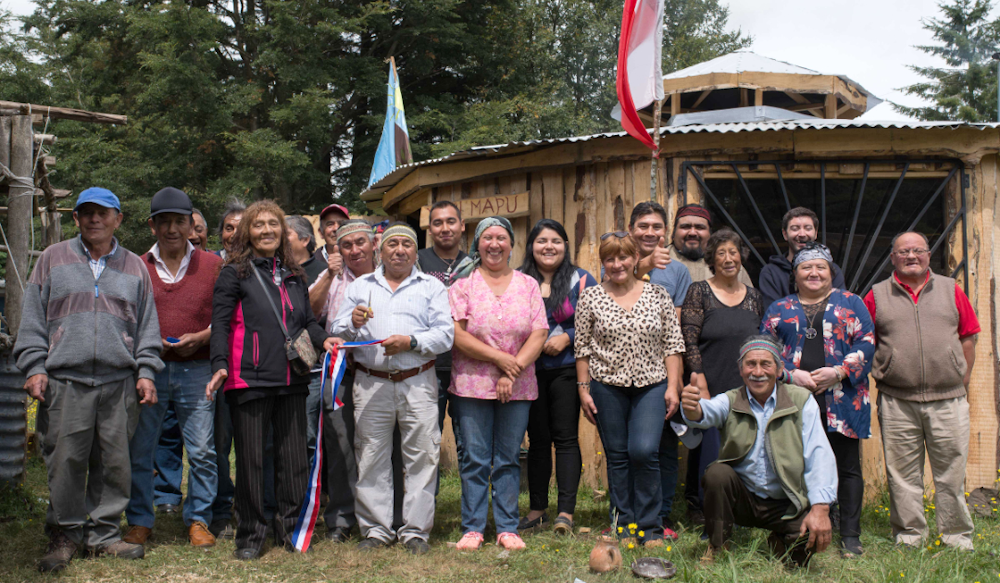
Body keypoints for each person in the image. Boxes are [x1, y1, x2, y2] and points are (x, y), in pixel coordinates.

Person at [14, 187, 163, 572]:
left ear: (118, 219)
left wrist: (146, 371)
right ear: (76, 218)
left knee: (115, 463)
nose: (95, 219)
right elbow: (31, 319)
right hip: (65, 380)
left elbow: (147, 328)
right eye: (87, 213)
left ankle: (103, 534)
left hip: (119, 382)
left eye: (103, 213)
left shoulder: (134, 267)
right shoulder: (52, 259)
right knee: (65, 461)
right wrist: (34, 366)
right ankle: (65, 533)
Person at [206, 200, 340, 560]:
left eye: (273, 224)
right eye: (258, 224)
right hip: (248, 378)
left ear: (283, 231)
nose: (266, 230)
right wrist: (219, 364)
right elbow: (219, 323)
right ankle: (250, 536)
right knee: (251, 461)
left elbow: (304, 322)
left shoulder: (294, 273)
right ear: (247, 231)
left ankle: (289, 530)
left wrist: (322, 336)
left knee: (294, 458)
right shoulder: (233, 271)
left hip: (293, 377)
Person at [330, 223, 454, 554]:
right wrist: (352, 323)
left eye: (407, 244)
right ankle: (376, 530)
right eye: (392, 244)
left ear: (416, 251)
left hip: (418, 382)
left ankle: (415, 532)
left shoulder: (431, 287)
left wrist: (411, 341)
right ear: (380, 250)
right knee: (370, 456)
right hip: (371, 383)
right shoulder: (360, 286)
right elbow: (339, 331)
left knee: (422, 457)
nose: (400, 250)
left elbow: (445, 336)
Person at [863, 232, 979, 550]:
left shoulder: (950, 289)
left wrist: (961, 379)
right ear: (892, 257)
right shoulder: (876, 295)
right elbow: (862, 341)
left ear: (928, 255)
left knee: (951, 472)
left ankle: (956, 537)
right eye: (904, 251)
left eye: (918, 250)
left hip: (949, 399)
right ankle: (910, 537)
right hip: (897, 399)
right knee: (902, 475)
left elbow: (968, 337)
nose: (911, 255)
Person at [681, 335, 837, 567]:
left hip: (787, 501)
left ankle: (780, 540)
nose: (758, 371)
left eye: (766, 364)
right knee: (717, 474)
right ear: (741, 369)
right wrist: (692, 408)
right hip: (744, 499)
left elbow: (819, 455)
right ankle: (717, 545)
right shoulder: (731, 399)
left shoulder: (801, 401)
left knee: (804, 549)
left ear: (779, 368)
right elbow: (706, 412)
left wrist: (821, 508)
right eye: (750, 364)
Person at [762, 242, 874, 557]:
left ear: (830, 272)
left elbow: (867, 342)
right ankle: (799, 526)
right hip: (794, 400)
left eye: (820, 267)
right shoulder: (779, 308)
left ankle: (850, 536)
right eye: (805, 267)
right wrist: (788, 375)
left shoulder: (851, 303)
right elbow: (764, 351)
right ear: (795, 274)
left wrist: (839, 371)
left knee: (848, 466)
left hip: (842, 399)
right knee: (796, 464)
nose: (813, 273)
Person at [124, 187, 221, 549]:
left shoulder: (212, 264)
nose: (172, 229)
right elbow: (127, 316)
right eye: (163, 222)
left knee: (202, 450)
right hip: (151, 369)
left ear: (191, 225)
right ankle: (139, 520)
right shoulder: (137, 265)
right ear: (152, 226)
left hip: (197, 368)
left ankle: (199, 520)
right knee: (142, 448)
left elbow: (227, 317)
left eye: (179, 221)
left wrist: (204, 335)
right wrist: (146, 344)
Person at [576, 232, 685, 548]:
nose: (617, 264)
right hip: (606, 385)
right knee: (618, 456)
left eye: (623, 257)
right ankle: (622, 525)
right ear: (603, 263)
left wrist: (674, 387)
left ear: (636, 258)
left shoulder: (657, 295)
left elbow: (673, 344)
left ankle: (650, 528)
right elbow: (582, 347)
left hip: (652, 384)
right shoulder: (591, 297)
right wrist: (584, 389)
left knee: (644, 451)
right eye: (610, 258)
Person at [448, 217, 549, 551]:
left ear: (511, 244)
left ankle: (507, 527)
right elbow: (457, 334)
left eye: (501, 238)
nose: (494, 244)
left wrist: (512, 368)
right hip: (472, 384)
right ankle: (473, 528)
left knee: (507, 457)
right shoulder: (463, 284)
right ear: (477, 244)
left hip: (518, 383)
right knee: (475, 458)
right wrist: (498, 359)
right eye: (487, 238)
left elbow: (539, 332)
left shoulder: (527, 284)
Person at [679, 229, 766, 524]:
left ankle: (741, 505)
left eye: (734, 252)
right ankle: (700, 505)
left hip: (746, 384)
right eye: (721, 254)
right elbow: (688, 339)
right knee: (708, 446)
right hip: (710, 380)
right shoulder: (699, 291)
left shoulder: (754, 297)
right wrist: (699, 378)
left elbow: (761, 343)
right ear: (711, 260)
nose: (729, 259)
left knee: (744, 444)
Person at [517, 219, 597, 535]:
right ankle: (538, 509)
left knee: (565, 438)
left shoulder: (582, 279)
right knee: (537, 440)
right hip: (529, 370)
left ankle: (566, 512)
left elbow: (595, 321)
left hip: (567, 369)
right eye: (541, 241)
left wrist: (570, 336)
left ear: (566, 246)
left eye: (556, 241)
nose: (549, 247)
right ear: (531, 246)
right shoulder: (520, 280)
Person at [627, 201, 691, 536]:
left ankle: (661, 513)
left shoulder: (678, 272)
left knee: (663, 446)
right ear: (630, 229)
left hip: (660, 370)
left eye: (656, 227)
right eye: (643, 226)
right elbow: (613, 287)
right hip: (619, 370)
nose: (650, 232)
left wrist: (675, 378)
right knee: (627, 448)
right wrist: (646, 264)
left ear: (665, 232)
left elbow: (675, 328)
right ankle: (624, 513)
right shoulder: (617, 256)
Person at [311, 219, 377, 542]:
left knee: (378, 448)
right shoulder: (334, 279)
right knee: (339, 445)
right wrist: (327, 274)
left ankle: (380, 516)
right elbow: (309, 313)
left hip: (379, 372)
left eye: (360, 243)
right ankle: (340, 519)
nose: (354, 250)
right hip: (340, 372)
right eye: (346, 245)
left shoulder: (390, 276)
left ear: (373, 244)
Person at [416, 200, 468, 464]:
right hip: (427, 365)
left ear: (462, 226)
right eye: (438, 223)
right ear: (430, 228)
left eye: (450, 221)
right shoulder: (416, 261)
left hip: (467, 366)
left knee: (468, 443)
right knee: (426, 440)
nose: (445, 228)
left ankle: (472, 506)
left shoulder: (476, 264)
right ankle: (427, 504)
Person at [209, 197, 244, 537]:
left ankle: (249, 508)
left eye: (240, 227)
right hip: (219, 369)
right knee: (219, 445)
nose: (234, 234)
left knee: (253, 444)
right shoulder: (209, 266)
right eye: (228, 228)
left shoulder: (267, 267)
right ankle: (220, 510)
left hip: (253, 370)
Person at [759, 207, 846, 306]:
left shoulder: (831, 270)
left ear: (816, 233)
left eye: (808, 228)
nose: (802, 234)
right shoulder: (771, 273)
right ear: (785, 234)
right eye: (795, 229)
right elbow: (773, 313)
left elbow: (840, 309)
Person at [667, 204, 753, 286]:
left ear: (710, 234)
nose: (692, 233)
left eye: (699, 227)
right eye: (686, 227)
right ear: (674, 233)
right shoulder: (660, 259)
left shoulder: (729, 264)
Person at [308, 203, 349, 322]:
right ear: (321, 232)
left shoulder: (361, 263)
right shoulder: (309, 265)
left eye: (341, 224)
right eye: (330, 224)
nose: (336, 228)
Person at [286, 215, 326, 284]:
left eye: (286, 234)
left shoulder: (325, 273)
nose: (280, 239)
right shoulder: (276, 271)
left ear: (305, 240)